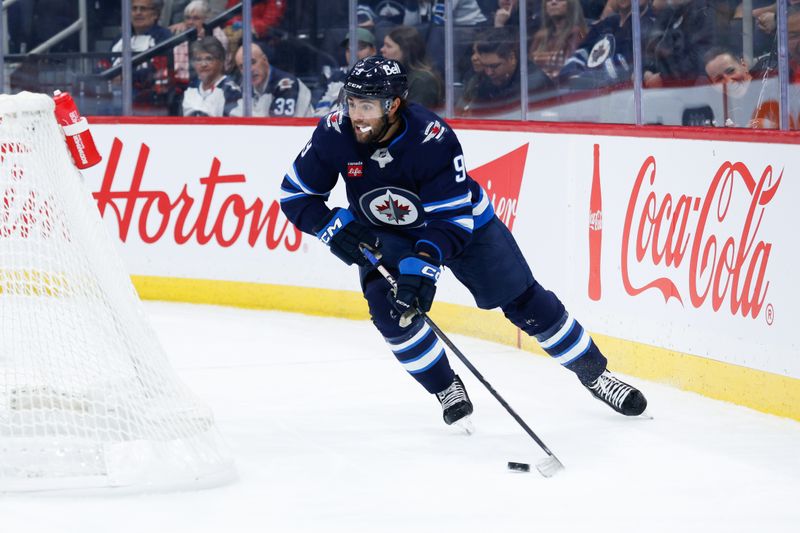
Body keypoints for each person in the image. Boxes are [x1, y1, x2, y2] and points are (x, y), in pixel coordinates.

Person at [279, 55, 648, 428]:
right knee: (390, 312)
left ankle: (595, 375)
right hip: (386, 232)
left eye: (367, 106)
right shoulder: (333, 133)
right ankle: (445, 388)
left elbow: (451, 220)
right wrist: (331, 226)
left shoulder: (431, 139)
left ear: (393, 105)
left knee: (524, 301)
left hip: (465, 226)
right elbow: (295, 195)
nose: (356, 114)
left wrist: (423, 262)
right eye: (352, 102)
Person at [458, 27, 554, 113]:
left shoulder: (531, 84)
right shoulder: (486, 77)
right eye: (484, 65)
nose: (489, 72)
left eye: (494, 66)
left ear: (511, 58)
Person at [111, 0, 175, 111]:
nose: (138, 13)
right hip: (113, 89)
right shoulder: (121, 37)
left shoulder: (163, 37)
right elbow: (103, 63)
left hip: (147, 94)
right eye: (134, 9)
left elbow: (158, 69)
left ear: (155, 14)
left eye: (143, 9)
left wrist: (126, 77)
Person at [230, 42, 314, 117]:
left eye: (252, 62)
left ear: (265, 60)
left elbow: (279, 126)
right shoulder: (242, 86)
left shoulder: (286, 85)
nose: (249, 70)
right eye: (242, 67)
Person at [313, 28, 378, 116]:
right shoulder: (335, 77)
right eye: (348, 49)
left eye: (359, 48)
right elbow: (319, 113)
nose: (353, 53)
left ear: (373, 50)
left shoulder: (381, 77)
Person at [171, 0, 231, 89]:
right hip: (181, 84)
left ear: (206, 19)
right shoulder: (181, 33)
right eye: (188, 18)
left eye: (196, 18)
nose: (190, 22)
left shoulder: (218, 35)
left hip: (211, 83)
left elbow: (222, 68)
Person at [380, 26, 444, 109]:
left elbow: (416, 117)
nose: (382, 50)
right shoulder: (394, 76)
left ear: (406, 51)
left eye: (388, 46)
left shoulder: (422, 81)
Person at [528, 0, 588, 80]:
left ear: (571, 4)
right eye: (548, 0)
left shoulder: (578, 33)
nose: (553, 2)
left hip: (563, 87)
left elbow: (573, 66)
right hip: (537, 88)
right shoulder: (540, 36)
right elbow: (528, 68)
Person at [181, 37, 241, 116]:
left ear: (221, 61)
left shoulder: (230, 90)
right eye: (198, 60)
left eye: (209, 59)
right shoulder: (191, 88)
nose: (203, 64)